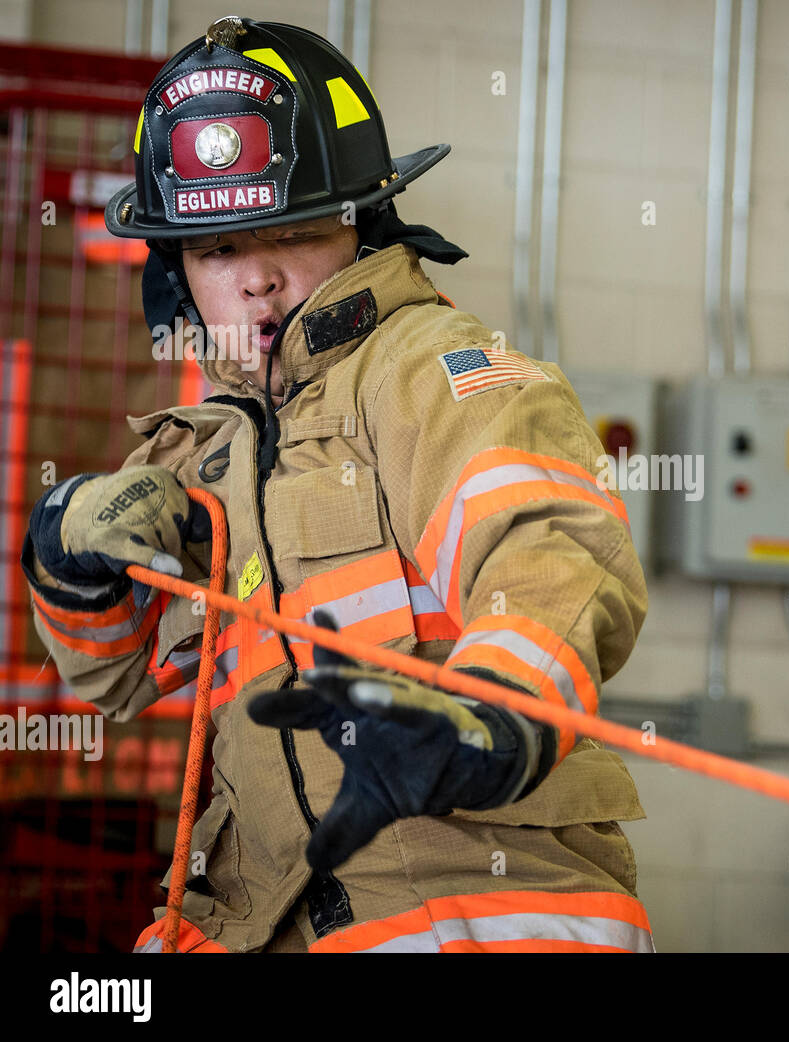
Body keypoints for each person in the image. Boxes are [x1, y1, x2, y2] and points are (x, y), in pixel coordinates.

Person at [20, 15, 654, 953]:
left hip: (474, 916)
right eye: (218, 251)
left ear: (362, 224)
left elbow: (546, 546)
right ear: (177, 272)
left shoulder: (433, 369)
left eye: (292, 231)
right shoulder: (196, 454)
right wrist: (66, 558)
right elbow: (113, 672)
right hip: (248, 924)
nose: (257, 283)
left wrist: (486, 714)